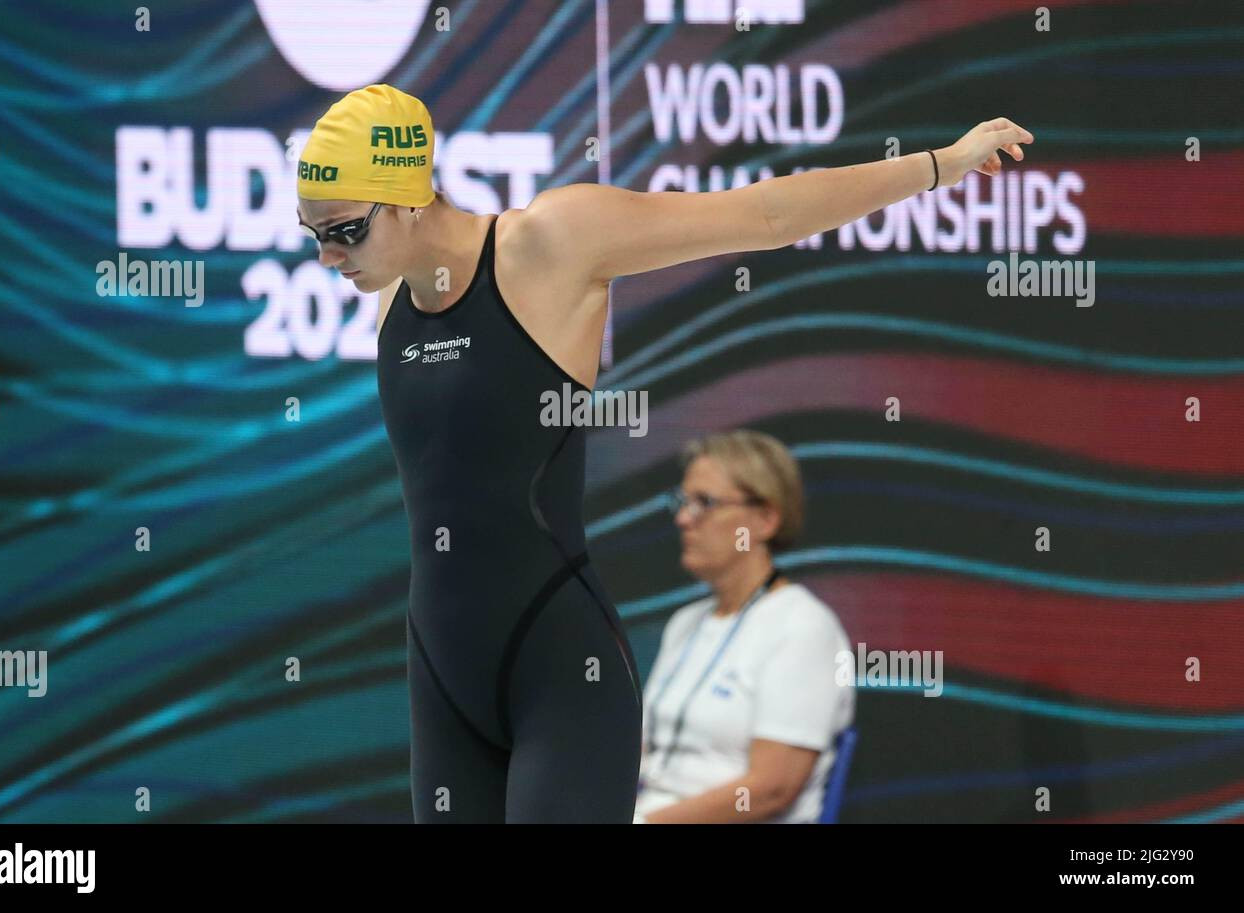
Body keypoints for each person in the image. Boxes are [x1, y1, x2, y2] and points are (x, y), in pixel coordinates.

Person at [295, 82, 1031, 823]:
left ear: (407, 199)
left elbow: (766, 215)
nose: (328, 256)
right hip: (442, 680)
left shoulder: (549, 243)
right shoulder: (392, 296)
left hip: (558, 671)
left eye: (346, 231)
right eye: (312, 233)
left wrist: (940, 164)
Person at [635, 431, 853, 823]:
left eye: (705, 503)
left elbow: (772, 789)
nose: (683, 518)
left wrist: (645, 824)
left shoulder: (802, 627)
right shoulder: (686, 623)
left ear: (765, 519)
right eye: (683, 502)